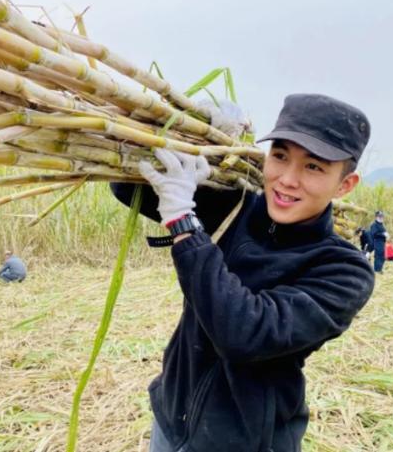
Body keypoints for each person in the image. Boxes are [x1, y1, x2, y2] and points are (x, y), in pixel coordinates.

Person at [112, 94, 374, 452]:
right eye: (280, 156)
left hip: (242, 441)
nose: (287, 180)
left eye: (313, 167)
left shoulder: (343, 270)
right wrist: (198, 141)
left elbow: (244, 333)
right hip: (172, 417)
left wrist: (185, 224)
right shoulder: (238, 207)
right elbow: (129, 186)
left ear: (345, 184)